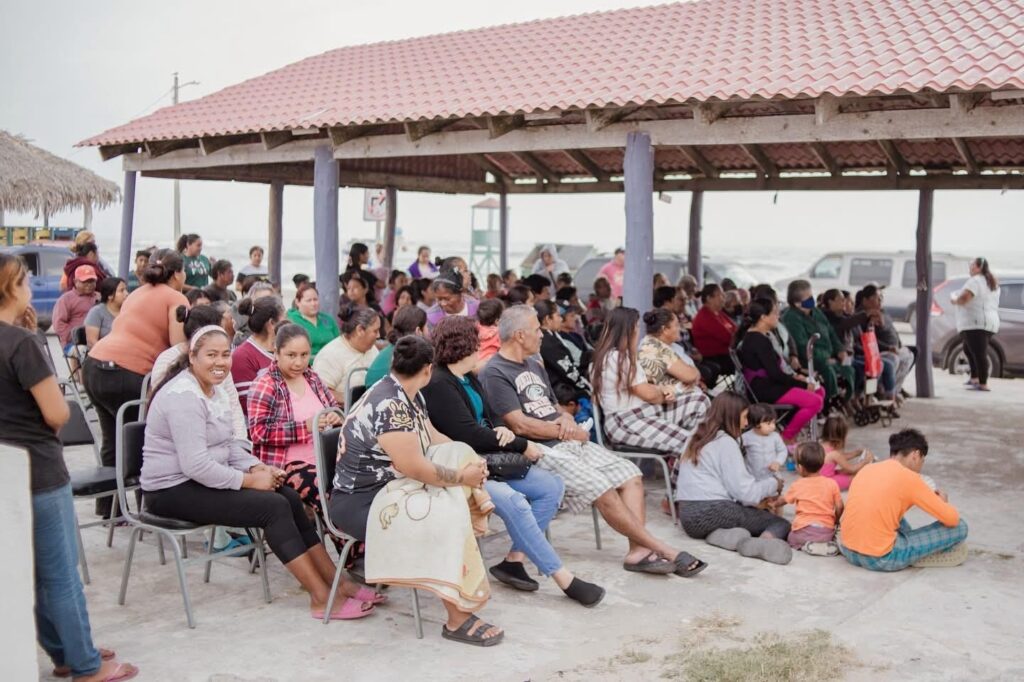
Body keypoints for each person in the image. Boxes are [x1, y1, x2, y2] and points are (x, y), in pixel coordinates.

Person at [143, 324, 379, 621]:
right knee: (272, 508)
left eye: (225, 354)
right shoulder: (184, 396)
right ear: (192, 356)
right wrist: (249, 480)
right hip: (171, 490)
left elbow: (227, 445)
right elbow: (196, 465)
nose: (220, 362)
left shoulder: (212, 391)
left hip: (201, 478)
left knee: (289, 497)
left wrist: (256, 466)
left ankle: (338, 583)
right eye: (211, 355)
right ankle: (320, 597)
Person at [481, 304, 705, 577]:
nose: (542, 334)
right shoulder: (495, 372)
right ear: (519, 335)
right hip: (540, 449)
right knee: (602, 487)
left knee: (631, 475)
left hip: (567, 440)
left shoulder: (534, 364)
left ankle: (638, 552)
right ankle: (662, 548)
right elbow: (518, 423)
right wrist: (565, 431)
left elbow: (554, 407)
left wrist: (567, 420)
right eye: (537, 329)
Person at [0, 253, 140, 682]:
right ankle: (85, 664)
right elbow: (57, 414)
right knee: (59, 574)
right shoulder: (21, 344)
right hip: (38, 469)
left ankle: (65, 651)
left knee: (26, 573)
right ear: (13, 286)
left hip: (6, 469)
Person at [329, 336, 505, 646]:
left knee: (460, 456)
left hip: (392, 487)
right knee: (446, 518)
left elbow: (434, 437)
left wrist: (471, 461)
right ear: (427, 370)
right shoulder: (389, 404)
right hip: (362, 503)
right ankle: (457, 619)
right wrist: (463, 477)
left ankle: (462, 582)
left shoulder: (408, 392)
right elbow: (416, 467)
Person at [422, 316, 606, 606]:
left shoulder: (467, 376)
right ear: (464, 346)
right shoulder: (440, 383)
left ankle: (513, 560)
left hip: (491, 457)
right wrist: (521, 444)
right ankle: (563, 577)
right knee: (517, 503)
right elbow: (466, 435)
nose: (482, 349)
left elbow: (491, 415)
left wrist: (503, 429)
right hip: (466, 467)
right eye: (478, 343)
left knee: (551, 487)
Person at [84, 249, 188, 514]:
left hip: (94, 365)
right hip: (127, 372)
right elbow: (177, 349)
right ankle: (148, 508)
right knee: (144, 440)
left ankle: (109, 509)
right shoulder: (176, 298)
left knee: (112, 439)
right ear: (177, 273)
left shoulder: (136, 293)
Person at [675, 392, 793, 565]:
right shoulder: (725, 442)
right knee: (780, 524)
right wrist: (774, 484)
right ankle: (760, 543)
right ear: (731, 415)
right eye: (744, 417)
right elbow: (746, 493)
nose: (746, 423)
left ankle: (724, 537)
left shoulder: (696, 434)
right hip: (715, 511)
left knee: (744, 517)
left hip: (688, 518)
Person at [247, 324, 345, 520]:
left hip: (324, 459)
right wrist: (304, 427)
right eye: (291, 355)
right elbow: (258, 432)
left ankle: (355, 546)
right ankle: (354, 545)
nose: (299, 362)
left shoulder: (313, 378)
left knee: (352, 492)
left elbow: (334, 409)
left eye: (304, 355)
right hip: (287, 465)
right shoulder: (266, 385)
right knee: (332, 503)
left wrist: (336, 417)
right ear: (276, 352)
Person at [838, 429, 967, 571]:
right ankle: (916, 553)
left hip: (848, 549)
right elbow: (952, 519)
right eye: (922, 461)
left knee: (890, 513)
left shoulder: (867, 469)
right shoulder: (910, 478)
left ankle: (910, 546)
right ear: (915, 455)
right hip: (880, 558)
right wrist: (943, 502)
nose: (920, 467)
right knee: (960, 527)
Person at [591, 307, 709, 461]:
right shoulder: (616, 358)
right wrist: (664, 394)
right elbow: (648, 394)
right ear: (628, 329)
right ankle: (686, 473)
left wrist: (662, 389)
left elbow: (645, 388)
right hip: (627, 421)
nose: (638, 331)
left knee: (699, 401)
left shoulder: (618, 356)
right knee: (691, 443)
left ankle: (683, 463)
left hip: (643, 413)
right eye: (636, 326)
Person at [735, 299, 824, 443]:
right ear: (763, 317)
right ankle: (787, 437)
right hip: (764, 389)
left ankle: (792, 427)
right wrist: (801, 384)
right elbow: (775, 374)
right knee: (815, 401)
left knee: (819, 391)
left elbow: (776, 372)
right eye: (775, 313)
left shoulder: (761, 336)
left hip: (770, 384)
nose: (778, 317)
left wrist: (797, 378)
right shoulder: (757, 340)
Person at [780, 280, 854, 408]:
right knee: (828, 371)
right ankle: (827, 405)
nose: (812, 300)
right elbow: (803, 347)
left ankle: (846, 401)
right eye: (808, 298)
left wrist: (840, 349)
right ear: (797, 303)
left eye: (811, 296)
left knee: (849, 370)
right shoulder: (791, 318)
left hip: (829, 356)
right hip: (809, 359)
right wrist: (826, 357)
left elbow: (830, 332)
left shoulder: (816, 312)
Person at [776, 442, 843, 553]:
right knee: (831, 536)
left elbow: (783, 501)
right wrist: (836, 521)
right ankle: (823, 545)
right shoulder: (832, 483)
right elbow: (840, 506)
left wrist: (773, 503)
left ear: (800, 468)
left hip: (803, 532)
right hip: (825, 532)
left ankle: (804, 546)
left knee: (791, 539)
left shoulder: (798, 484)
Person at [312, 305, 380, 407]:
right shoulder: (330, 355)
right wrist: (352, 400)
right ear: (360, 330)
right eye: (375, 331)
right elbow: (319, 391)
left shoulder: (373, 349)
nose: (379, 335)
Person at [951, 257, 1000, 392]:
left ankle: (983, 383)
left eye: (972, 265)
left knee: (979, 353)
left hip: (976, 323)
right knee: (968, 349)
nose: (970, 268)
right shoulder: (991, 281)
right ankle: (975, 378)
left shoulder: (975, 281)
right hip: (989, 322)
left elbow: (964, 298)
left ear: (979, 267)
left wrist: (955, 300)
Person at [231, 296, 285, 415]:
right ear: (271, 323)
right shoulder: (242, 356)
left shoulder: (285, 349)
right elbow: (249, 405)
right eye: (284, 319)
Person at [858, 285, 913, 401]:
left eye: (881, 298)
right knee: (884, 363)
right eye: (877, 298)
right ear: (865, 300)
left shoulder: (879, 313)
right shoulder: (858, 317)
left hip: (873, 351)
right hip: (864, 353)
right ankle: (872, 394)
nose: (880, 301)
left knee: (894, 359)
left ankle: (890, 393)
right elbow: (863, 339)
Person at [535, 299, 591, 400]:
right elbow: (569, 373)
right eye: (558, 315)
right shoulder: (547, 342)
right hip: (561, 393)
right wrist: (587, 389)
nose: (561, 319)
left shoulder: (550, 336)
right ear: (548, 319)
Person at [637, 308, 702, 390]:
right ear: (664, 330)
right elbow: (690, 376)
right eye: (677, 325)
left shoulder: (667, 345)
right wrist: (693, 374)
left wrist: (694, 375)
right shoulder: (655, 348)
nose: (680, 328)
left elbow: (694, 374)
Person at [365, 305, 426, 389]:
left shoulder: (397, 349)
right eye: (426, 326)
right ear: (418, 331)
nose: (429, 331)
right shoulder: (407, 354)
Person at [690, 283, 736, 386]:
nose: (724, 298)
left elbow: (735, 330)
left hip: (725, 354)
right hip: (713, 357)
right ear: (709, 298)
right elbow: (728, 337)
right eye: (720, 295)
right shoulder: (705, 316)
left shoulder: (718, 313)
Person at [818, 415, 874, 491]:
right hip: (828, 483)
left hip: (820, 480)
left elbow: (840, 457)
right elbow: (852, 469)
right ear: (840, 437)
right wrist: (865, 461)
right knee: (855, 476)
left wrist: (856, 453)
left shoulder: (821, 445)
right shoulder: (834, 454)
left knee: (843, 471)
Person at [286, 283, 339, 362]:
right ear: (298, 302)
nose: (313, 304)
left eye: (315, 299)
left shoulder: (328, 319)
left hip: (331, 364)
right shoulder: (291, 320)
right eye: (309, 300)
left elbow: (339, 342)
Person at [53, 264, 99, 354]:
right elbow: (59, 324)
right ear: (75, 281)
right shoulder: (66, 299)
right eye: (85, 282)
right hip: (73, 344)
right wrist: (75, 337)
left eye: (92, 281)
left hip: (96, 341)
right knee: (83, 351)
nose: (89, 285)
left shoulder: (99, 297)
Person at [740, 403, 788, 482]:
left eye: (773, 422)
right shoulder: (746, 437)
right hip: (753, 476)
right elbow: (736, 450)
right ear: (756, 423)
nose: (773, 426)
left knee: (776, 489)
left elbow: (782, 450)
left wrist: (778, 462)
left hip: (772, 475)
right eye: (768, 423)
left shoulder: (775, 436)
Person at [427, 267, 480, 331]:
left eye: (447, 299)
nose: (442, 303)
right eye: (438, 299)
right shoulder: (432, 316)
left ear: (461, 292)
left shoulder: (478, 309)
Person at [83, 276, 127, 349]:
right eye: (122, 290)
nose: (126, 294)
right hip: (102, 355)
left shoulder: (128, 311)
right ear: (110, 296)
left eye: (126, 290)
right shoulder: (97, 312)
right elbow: (92, 342)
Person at [476, 298, 504, 365]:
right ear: (497, 321)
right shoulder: (499, 333)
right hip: (489, 363)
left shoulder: (474, 328)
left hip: (475, 362)